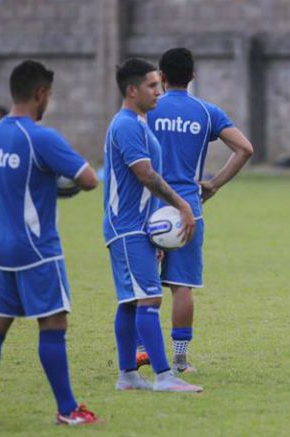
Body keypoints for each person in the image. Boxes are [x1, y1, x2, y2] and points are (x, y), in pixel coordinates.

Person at [0, 60, 99, 425]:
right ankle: (68, 410)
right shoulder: (41, 136)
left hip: (0, 248)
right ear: (41, 94)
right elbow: (89, 179)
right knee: (54, 325)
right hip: (37, 248)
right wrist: (59, 182)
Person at [143, 47, 253, 373]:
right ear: (193, 77)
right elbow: (245, 148)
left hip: (149, 207)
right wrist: (214, 183)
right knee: (182, 286)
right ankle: (179, 359)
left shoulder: (147, 110)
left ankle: (139, 352)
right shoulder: (206, 112)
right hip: (188, 210)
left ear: (160, 77)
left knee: (144, 285)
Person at [103, 58, 201, 392]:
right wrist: (182, 205)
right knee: (149, 299)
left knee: (131, 300)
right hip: (126, 226)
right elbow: (145, 174)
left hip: (137, 227)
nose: (157, 91)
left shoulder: (140, 122)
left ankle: (127, 376)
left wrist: (154, 235)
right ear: (132, 90)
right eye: (151, 86)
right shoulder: (127, 125)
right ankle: (163, 376)